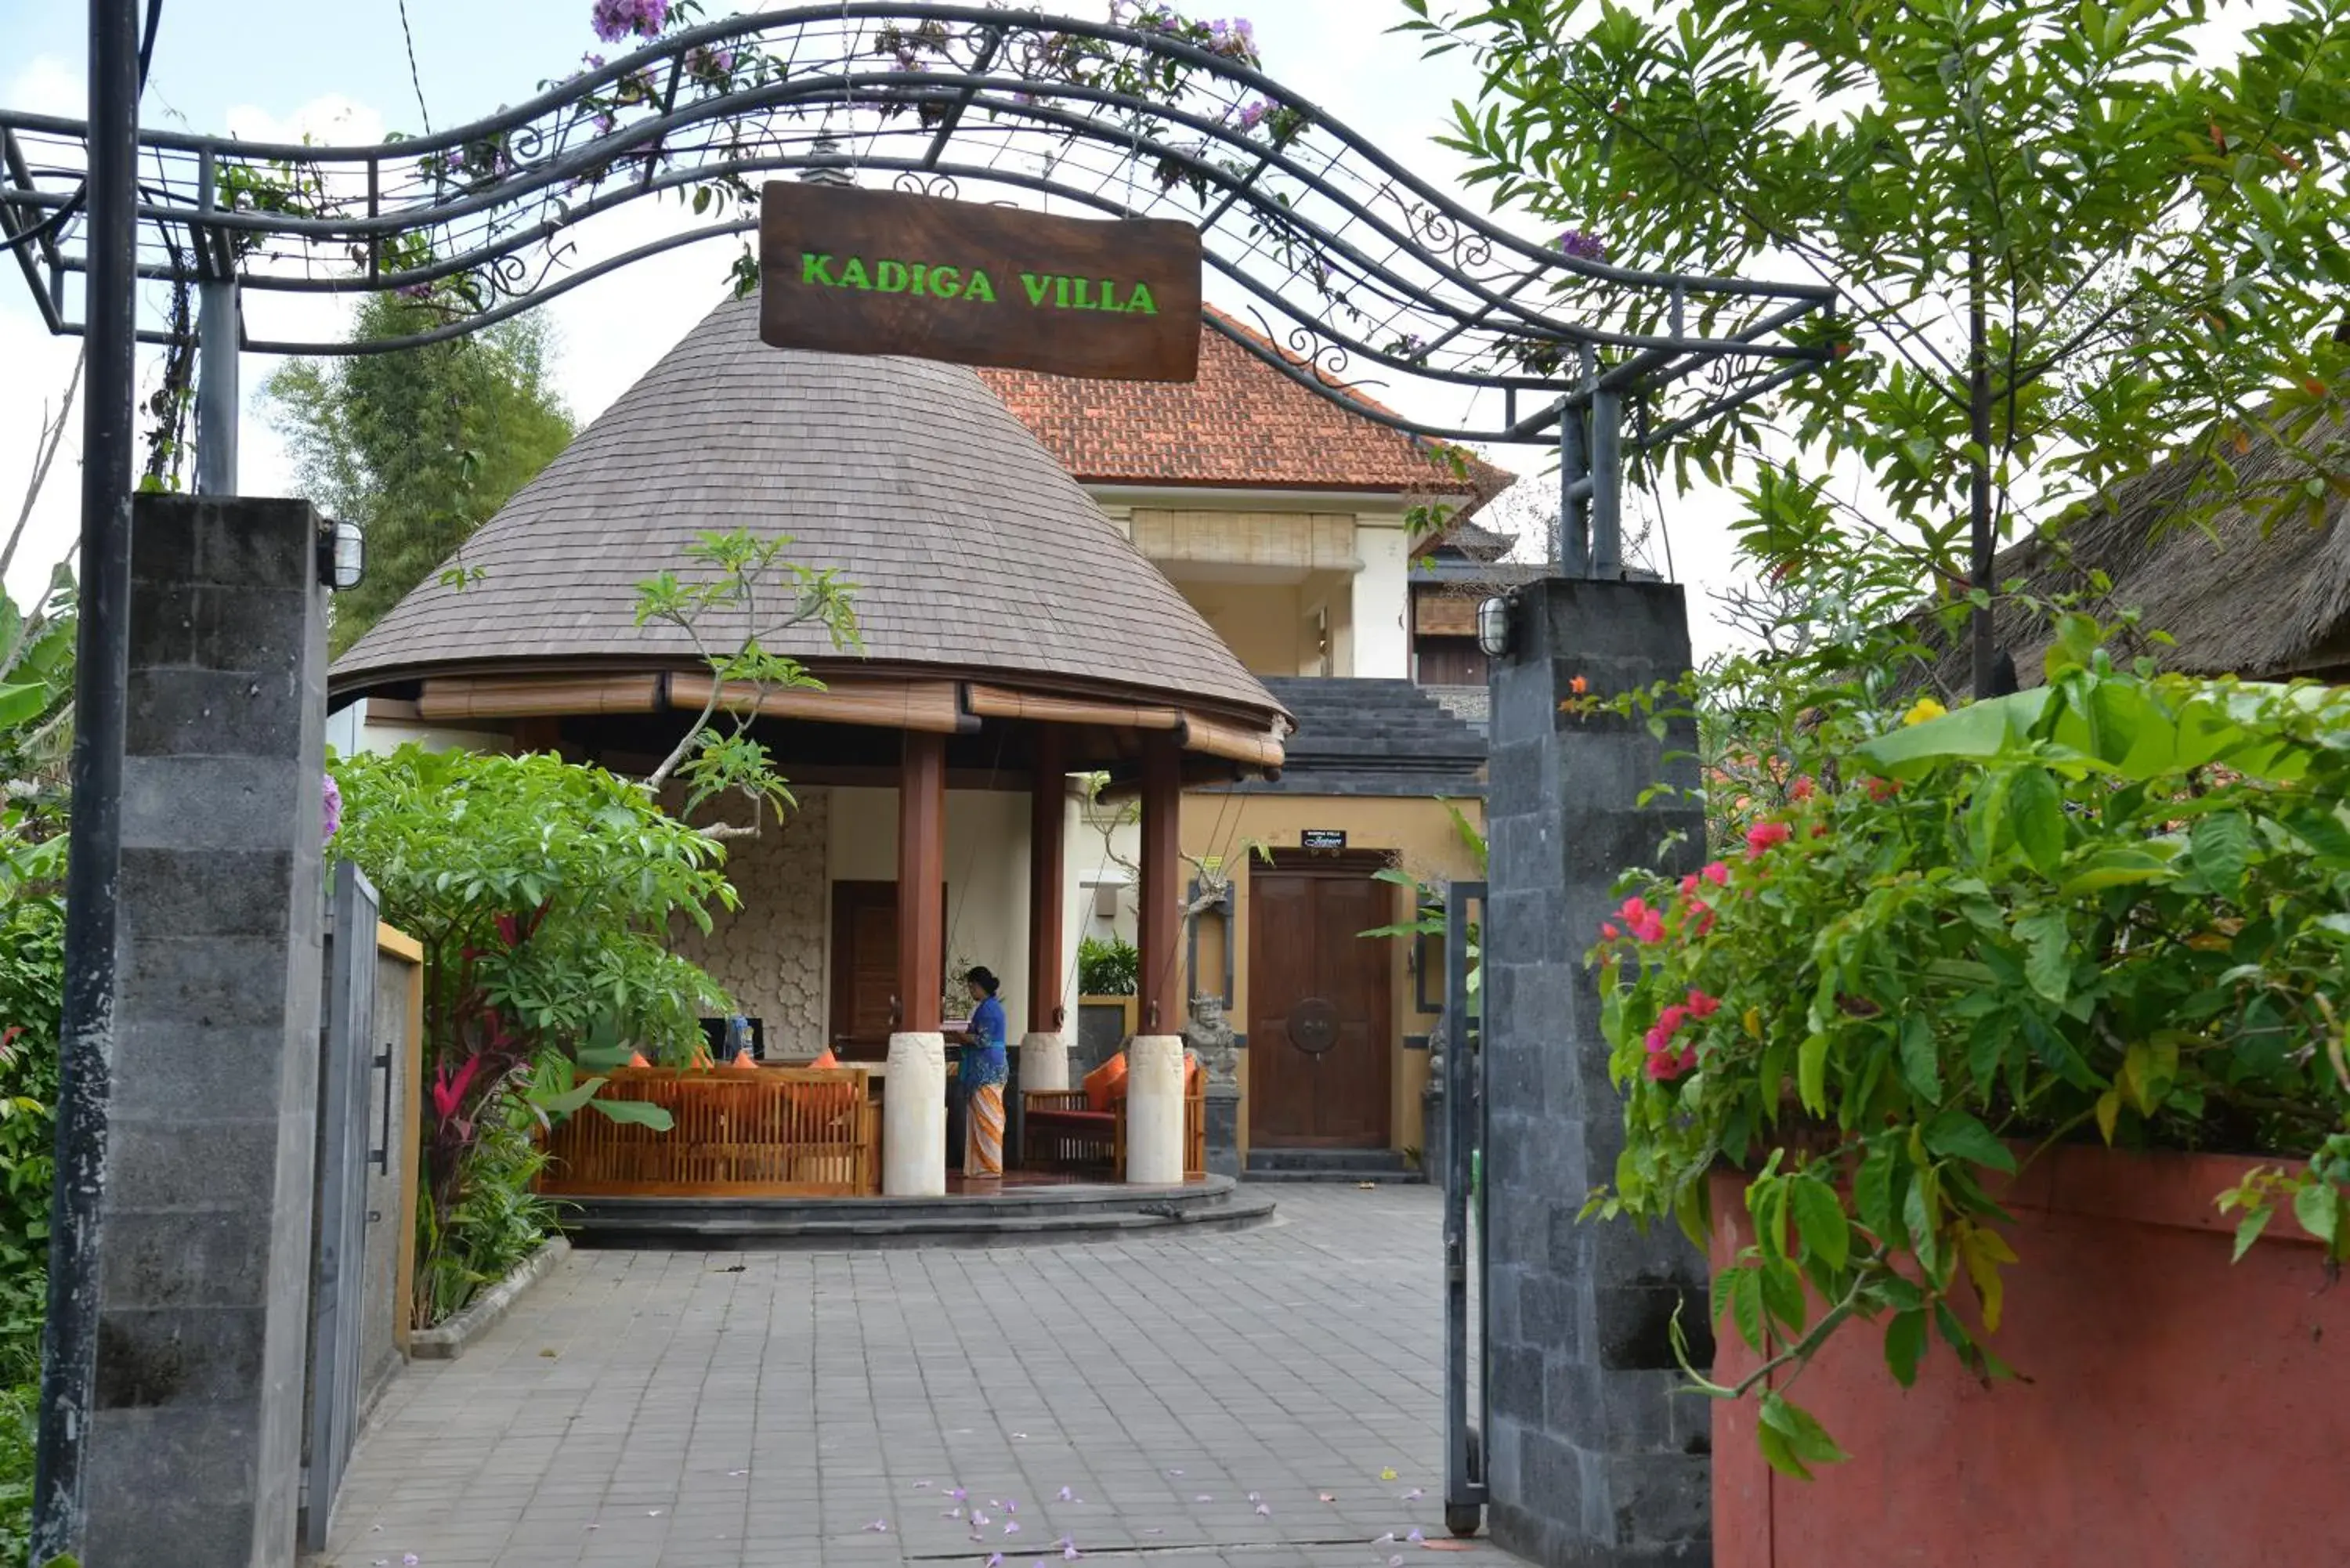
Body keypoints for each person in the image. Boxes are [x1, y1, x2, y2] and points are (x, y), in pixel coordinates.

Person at [953, 966, 1010, 1180]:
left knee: (986, 1116)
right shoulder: (993, 1007)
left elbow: (982, 1040)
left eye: (970, 986)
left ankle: (988, 1166)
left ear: (978, 986)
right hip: (994, 1066)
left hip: (986, 1069)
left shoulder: (987, 1010)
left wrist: (959, 1036)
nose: (969, 990)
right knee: (990, 1115)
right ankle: (987, 1164)